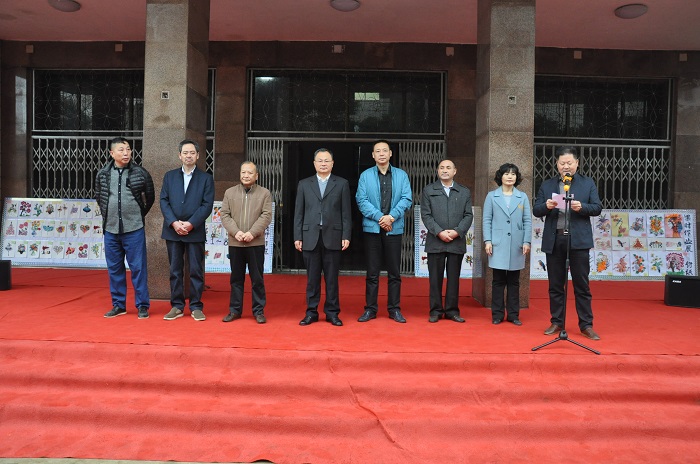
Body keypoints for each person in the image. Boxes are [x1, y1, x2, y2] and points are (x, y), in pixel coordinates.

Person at [533, 146, 602, 340]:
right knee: (555, 285)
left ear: (577, 163)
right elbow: (536, 209)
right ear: (556, 164)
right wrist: (546, 206)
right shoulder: (547, 185)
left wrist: (582, 207)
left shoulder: (587, 183)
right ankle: (556, 322)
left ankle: (586, 325)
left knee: (582, 285)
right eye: (562, 163)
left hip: (578, 241)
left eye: (569, 163)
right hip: (555, 241)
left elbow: (597, 207)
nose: (566, 166)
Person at [95, 137, 155, 319]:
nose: (126, 153)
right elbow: (100, 196)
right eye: (121, 150)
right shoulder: (103, 174)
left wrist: (138, 214)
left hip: (134, 228)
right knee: (114, 269)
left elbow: (150, 198)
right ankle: (118, 305)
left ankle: (142, 305)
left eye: (128, 149)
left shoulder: (140, 173)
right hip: (111, 229)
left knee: (138, 268)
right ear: (112, 153)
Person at [355, 140, 413, 323]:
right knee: (372, 272)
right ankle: (370, 309)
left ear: (390, 154)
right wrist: (381, 217)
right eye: (377, 151)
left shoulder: (401, 175)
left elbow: (407, 199)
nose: (381, 154)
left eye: (384, 151)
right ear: (373, 155)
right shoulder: (365, 176)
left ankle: (394, 309)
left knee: (394, 272)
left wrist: (391, 217)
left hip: (394, 229)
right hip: (372, 229)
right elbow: (361, 200)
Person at [294, 148, 352, 327]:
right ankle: (311, 312)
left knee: (332, 278)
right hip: (310, 235)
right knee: (312, 279)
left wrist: (346, 235)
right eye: (320, 160)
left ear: (333, 163)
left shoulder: (341, 184)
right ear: (314, 163)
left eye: (327, 160)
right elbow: (299, 212)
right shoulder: (304, 184)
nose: (323, 163)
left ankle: (332, 313)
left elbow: (346, 213)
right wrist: (297, 235)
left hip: (333, 236)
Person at [160, 139, 215, 322]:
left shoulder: (206, 178)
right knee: (175, 270)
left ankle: (196, 306)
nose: (189, 156)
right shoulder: (169, 176)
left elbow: (207, 205)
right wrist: (174, 223)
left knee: (195, 270)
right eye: (185, 153)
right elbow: (164, 201)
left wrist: (191, 224)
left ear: (198, 156)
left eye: (192, 153)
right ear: (179, 155)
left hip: (195, 231)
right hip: (173, 231)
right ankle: (176, 306)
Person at [220, 161, 273, 324]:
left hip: (255, 243)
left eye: (250, 173)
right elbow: (225, 215)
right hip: (235, 242)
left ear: (256, 176)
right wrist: (237, 233)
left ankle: (258, 311)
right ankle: (235, 310)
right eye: (243, 172)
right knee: (236, 279)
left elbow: (266, 216)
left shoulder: (264, 193)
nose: (246, 175)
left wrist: (252, 233)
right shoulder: (230, 192)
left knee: (257, 279)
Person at [420, 159, 473, 323]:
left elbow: (468, 215)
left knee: (454, 278)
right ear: (437, 171)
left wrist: (457, 232)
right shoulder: (429, 190)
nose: (445, 170)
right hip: (436, 241)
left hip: (456, 242)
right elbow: (426, 215)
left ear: (455, 171)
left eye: (448, 168)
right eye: (441, 168)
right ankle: (435, 311)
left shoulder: (463, 192)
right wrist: (439, 232)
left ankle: (452, 310)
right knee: (434, 279)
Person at [483, 163, 532, 326]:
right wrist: (487, 241)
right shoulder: (492, 196)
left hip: (517, 244)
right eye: (506, 173)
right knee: (497, 281)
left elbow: (527, 220)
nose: (510, 176)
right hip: (498, 243)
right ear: (500, 176)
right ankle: (497, 314)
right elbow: (487, 220)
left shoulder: (522, 196)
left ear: (517, 177)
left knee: (514, 281)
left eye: (513, 174)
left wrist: (526, 241)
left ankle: (513, 314)